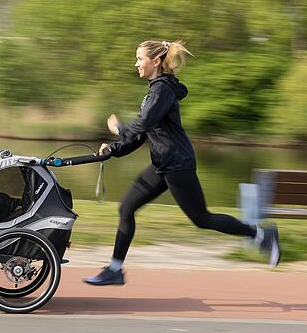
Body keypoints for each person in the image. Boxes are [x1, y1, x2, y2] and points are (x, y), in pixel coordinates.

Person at [83, 40, 280, 286]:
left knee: (202, 219)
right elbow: (143, 135)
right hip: (162, 164)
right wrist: (114, 150)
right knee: (126, 209)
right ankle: (114, 269)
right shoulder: (154, 91)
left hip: (177, 163)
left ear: (155, 61)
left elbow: (141, 125)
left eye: (139, 59)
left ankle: (262, 235)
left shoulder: (162, 90)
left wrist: (118, 128)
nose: (136, 64)